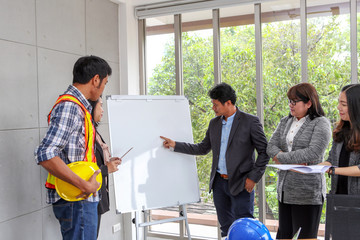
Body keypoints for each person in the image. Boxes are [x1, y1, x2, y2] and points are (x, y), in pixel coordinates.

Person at [160, 82, 269, 238]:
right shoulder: (214, 124)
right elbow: (202, 148)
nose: (213, 108)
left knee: (244, 229)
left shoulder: (250, 122)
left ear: (228, 103)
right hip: (219, 184)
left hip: (242, 183)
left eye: (216, 104)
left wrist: (253, 178)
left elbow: (264, 152)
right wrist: (175, 145)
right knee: (225, 228)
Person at [34, 55, 112, 240]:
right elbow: (45, 153)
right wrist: (84, 185)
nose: (103, 88)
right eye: (105, 83)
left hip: (81, 198)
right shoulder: (70, 106)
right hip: (78, 199)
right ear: (95, 80)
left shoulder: (80, 107)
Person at [266, 82, 331, 239]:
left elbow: (313, 153)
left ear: (309, 103)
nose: (290, 105)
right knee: (284, 236)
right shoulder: (285, 121)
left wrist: (281, 158)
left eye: (294, 102)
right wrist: (289, 160)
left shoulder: (321, 123)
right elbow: (270, 147)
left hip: (307, 193)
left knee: (304, 237)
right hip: (285, 191)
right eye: (289, 101)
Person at [88, 97, 121, 238]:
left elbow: (96, 157)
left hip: (97, 195)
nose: (102, 110)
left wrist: (109, 161)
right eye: (100, 106)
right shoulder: (85, 133)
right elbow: (84, 169)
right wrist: (106, 169)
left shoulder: (94, 131)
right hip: (88, 196)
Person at [322, 84, 360, 194]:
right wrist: (313, 168)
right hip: (338, 197)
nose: (338, 107)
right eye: (339, 102)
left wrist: (334, 170)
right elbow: (331, 160)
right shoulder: (340, 131)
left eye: (343, 104)